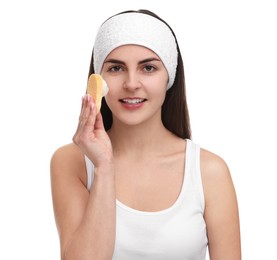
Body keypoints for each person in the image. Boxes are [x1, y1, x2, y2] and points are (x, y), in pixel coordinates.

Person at [50, 9, 241, 260]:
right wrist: (104, 166)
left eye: (148, 68)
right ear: (99, 79)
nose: (131, 83)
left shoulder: (209, 171)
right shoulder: (71, 161)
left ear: (169, 78)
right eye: (116, 68)